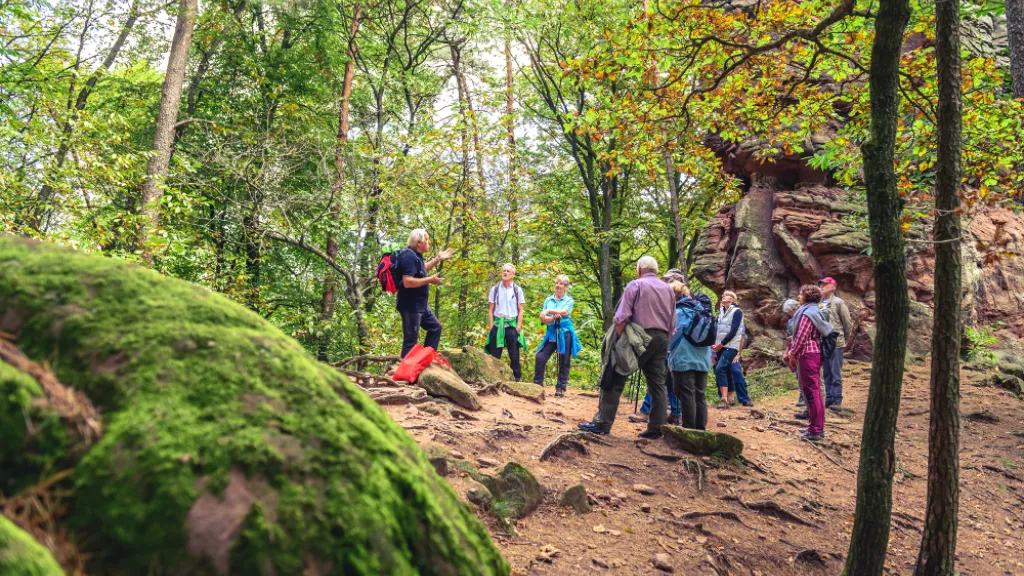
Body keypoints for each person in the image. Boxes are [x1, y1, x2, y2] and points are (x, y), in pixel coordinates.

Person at [579, 256, 676, 439]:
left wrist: (616, 340)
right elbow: (672, 321)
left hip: (637, 336)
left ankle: (602, 423)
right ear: (655, 271)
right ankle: (656, 429)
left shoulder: (635, 285)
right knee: (658, 384)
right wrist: (664, 339)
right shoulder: (668, 289)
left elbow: (621, 317)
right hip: (662, 338)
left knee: (614, 374)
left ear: (639, 269)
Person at [631, 269, 686, 425]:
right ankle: (675, 413)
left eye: (669, 280)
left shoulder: (678, 303)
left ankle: (647, 411)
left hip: (670, 348)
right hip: (669, 347)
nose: (666, 283)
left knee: (657, 379)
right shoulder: (674, 300)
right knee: (667, 381)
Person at [784, 285, 833, 441]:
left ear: (807, 296)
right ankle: (815, 427)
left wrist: (792, 353)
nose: (799, 297)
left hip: (808, 354)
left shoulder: (807, 313)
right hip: (814, 353)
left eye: (801, 294)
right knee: (813, 391)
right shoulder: (814, 311)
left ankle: (816, 430)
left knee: (812, 392)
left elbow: (801, 337)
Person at [396, 229, 453, 357]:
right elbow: (407, 281)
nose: (429, 242)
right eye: (426, 239)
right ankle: (404, 368)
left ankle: (424, 359)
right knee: (411, 342)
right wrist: (430, 280)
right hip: (410, 306)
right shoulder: (409, 256)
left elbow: (422, 268)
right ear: (418, 243)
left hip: (421, 305)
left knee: (435, 328)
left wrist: (438, 259)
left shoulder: (416, 256)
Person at [668, 282, 713, 430]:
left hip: (684, 359)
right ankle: (700, 429)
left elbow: (672, 336)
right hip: (703, 359)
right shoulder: (701, 310)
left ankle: (689, 429)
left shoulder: (680, 312)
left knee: (686, 394)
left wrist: (665, 348)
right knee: (700, 395)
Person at [533, 275, 582, 396]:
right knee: (540, 356)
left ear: (566, 287)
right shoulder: (548, 300)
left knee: (564, 359)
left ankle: (561, 387)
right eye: (557, 283)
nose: (558, 286)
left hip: (565, 332)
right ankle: (537, 386)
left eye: (561, 284)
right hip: (552, 332)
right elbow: (543, 318)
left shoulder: (568, 300)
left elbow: (565, 312)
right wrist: (551, 318)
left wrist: (549, 311)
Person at [485, 264, 526, 381]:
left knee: (514, 356)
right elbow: (490, 309)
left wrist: (518, 327)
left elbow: (521, 309)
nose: (505, 273)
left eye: (508, 271)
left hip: (511, 326)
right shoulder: (495, 290)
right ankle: (494, 380)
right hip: (497, 326)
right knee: (494, 357)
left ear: (513, 275)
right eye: (504, 271)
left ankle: (516, 381)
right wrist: (491, 327)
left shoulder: (517, 290)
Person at [818, 277, 852, 410]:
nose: (821, 287)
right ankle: (828, 398)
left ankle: (837, 399)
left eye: (824, 285)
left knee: (835, 372)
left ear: (832, 287)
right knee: (826, 372)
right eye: (821, 285)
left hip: (836, 342)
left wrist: (845, 337)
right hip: (823, 342)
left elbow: (847, 322)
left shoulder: (838, 302)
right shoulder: (819, 304)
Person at [712, 291, 751, 409]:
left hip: (731, 347)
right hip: (720, 348)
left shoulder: (737, 312)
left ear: (733, 300)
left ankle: (736, 399)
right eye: (723, 295)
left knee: (726, 370)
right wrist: (713, 349)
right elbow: (716, 332)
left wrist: (738, 353)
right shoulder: (721, 314)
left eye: (727, 295)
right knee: (725, 372)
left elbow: (736, 333)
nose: (723, 296)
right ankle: (728, 400)